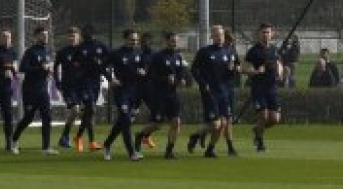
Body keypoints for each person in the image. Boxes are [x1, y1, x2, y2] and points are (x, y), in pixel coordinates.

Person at [187, 24, 239, 158]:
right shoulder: (205, 52)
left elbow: (230, 74)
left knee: (224, 123)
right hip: (210, 92)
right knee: (216, 124)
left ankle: (210, 149)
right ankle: (196, 135)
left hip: (224, 92)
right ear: (212, 37)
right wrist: (203, 83)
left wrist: (232, 70)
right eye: (216, 35)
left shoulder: (229, 52)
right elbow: (194, 70)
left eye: (221, 35)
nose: (219, 38)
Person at [135, 31, 188, 159]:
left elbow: (180, 74)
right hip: (159, 94)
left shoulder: (178, 57)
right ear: (166, 41)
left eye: (176, 41)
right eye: (172, 41)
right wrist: (165, 79)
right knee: (158, 124)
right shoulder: (158, 56)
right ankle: (140, 135)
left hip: (172, 94)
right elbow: (151, 75)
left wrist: (182, 80)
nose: (174, 43)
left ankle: (169, 151)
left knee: (176, 122)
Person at [12, 26, 57, 155]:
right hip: (30, 90)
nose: (45, 37)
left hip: (43, 90)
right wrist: (39, 68)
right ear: (36, 36)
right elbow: (22, 68)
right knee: (28, 118)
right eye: (43, 34)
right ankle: (14, 140)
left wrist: (49, 71)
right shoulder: (30, 52)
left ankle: (46, 148)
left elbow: (45, 68)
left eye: (46, 34)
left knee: (47, 117)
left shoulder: (47, 52)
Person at [101, 29, 145, 161]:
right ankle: (132, 153)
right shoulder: (116, 53)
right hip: (121, 91)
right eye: (132, 40)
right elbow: (102, 66)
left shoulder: (138, 52)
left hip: (135, 91)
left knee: (122, 121)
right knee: (125, 119)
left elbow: (142, 68)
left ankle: (107, 144)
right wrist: (111, 79)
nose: (135, 42)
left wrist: (142, 71)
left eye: (136, 40)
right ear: (125, 39)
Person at [241, 22, 282, 153]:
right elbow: (245, 68)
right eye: (263, 32)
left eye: (268, 32)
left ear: (272, 34)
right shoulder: (253, 51)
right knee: (263, 116)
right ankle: (260, 142)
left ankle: (257, 129)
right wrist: (256, 71)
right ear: (258, 34)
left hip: (272, 88)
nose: (265, 35)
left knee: (275, 119)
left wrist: (280, 72)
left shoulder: (274, 49)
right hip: (259, 88)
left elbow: (279, 63)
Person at [74, 24, 109, 152]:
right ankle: (90, 141)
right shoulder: (80, 48)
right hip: (84, 82)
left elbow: (109, 57)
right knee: (91, 109)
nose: (86, 33)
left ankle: (80, 138)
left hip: (96, 81)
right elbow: (74, 63)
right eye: (84, 31)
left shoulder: (100, 46)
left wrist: (102, 63)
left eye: (88, 31)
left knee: (89, 112)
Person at [54, 26, 86, 150]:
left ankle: (76, 138)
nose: (72, 38)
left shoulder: (84, 50)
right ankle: (66, 136)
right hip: (68, 86)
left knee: (86, 113)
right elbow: (56, 66)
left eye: (74, 36)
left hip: (82, 86)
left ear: (79, 37)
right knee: (75, 110)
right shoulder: (63, 52)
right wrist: (57, 81)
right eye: (70, 36)